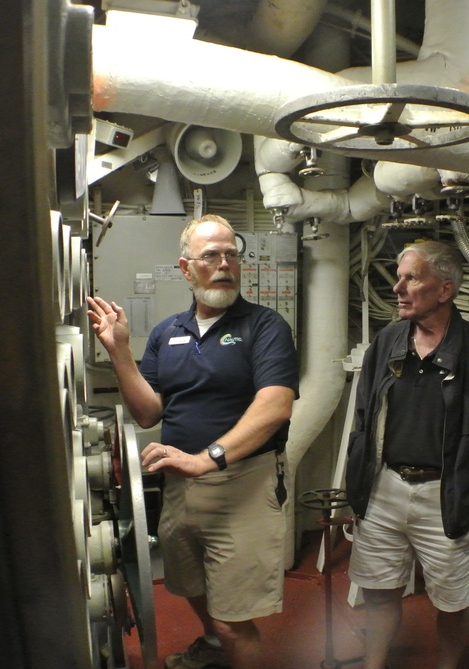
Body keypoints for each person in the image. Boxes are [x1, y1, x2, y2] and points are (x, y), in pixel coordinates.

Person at [87, 214, 299, 669]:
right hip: (181, 486)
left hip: (242, 484)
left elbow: (276, 406)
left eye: (231, 255)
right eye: (211, 256)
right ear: (186, 269)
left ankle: (226, 643)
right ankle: (215, 647)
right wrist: (120, 351)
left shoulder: (264, 327)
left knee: (234, 618)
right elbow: (148, 411)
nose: (224, 264)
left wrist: (208, 459)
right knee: (192, 586)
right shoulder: (168, 332)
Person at [345, 240, 469, 669]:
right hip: (384, 489)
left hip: (448, 495)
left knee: (452, 600)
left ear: (445, 290)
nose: (398, 288)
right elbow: (364, 416)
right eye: (399, 277)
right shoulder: (388, 341)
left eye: (412, 278)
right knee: (379, 589)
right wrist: (360, 482)